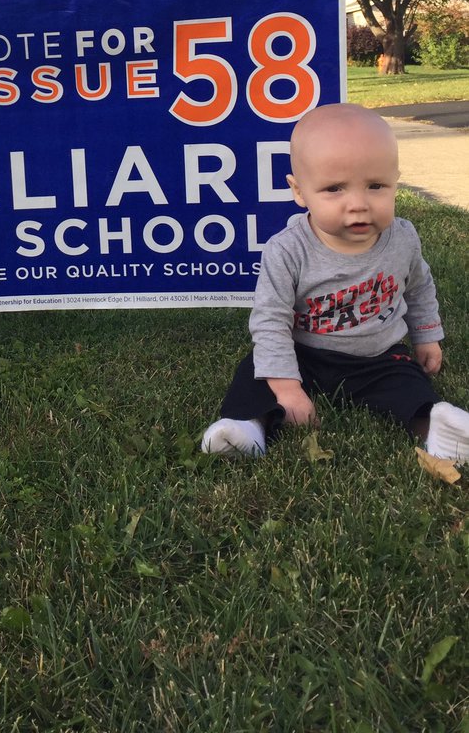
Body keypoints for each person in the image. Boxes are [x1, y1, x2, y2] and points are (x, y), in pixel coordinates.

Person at [200, 102, 469, 464]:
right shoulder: (287, 250)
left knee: (409, 386)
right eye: (334, 189)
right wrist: (288, 389)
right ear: (299, 191)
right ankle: (247, 427)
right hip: (305, 356)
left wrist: (427, 335)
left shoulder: (403, 238)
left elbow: (419, 287)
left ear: (396, 182)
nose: (358, 204)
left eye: (375, 186)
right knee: (254, 373)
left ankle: (436, 430)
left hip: (379, 357)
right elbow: (270, 322)